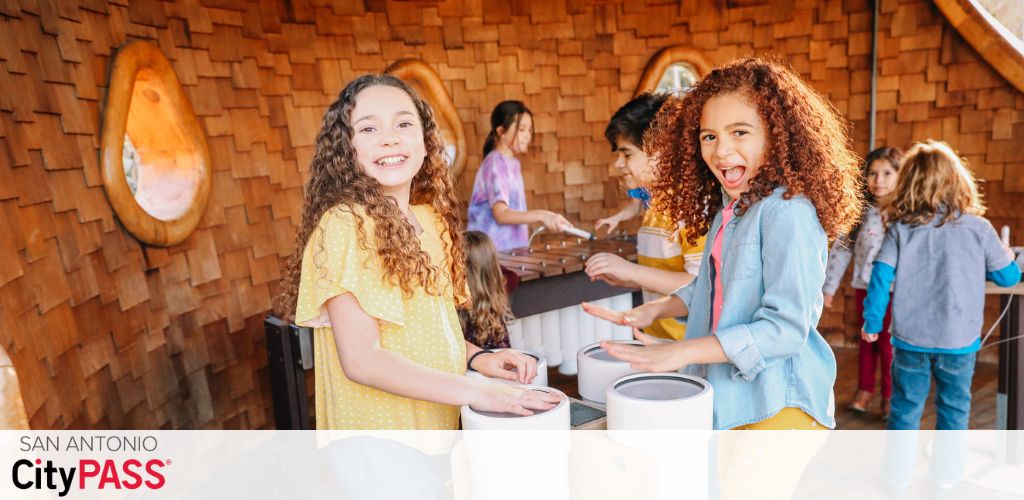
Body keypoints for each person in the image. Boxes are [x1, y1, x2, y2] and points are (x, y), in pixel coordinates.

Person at [583, 57, 863, 432]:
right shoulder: (731, 209)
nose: (720, 150)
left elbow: (784, 328)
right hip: (728, 397)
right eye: (709, 136)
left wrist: (679, 350)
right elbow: (709, 285)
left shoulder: (788, 212)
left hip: (776, 407)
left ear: (778, 135)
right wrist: (656, 311)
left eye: (740, 132)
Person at [275, 75, 559, 429]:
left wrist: (479, 358)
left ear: (426, 142)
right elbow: (362, 360)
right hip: (381, 440)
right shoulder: (344, 225)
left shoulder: (431, 220)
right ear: (345, 149)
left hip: (437, 427)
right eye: (368, 129)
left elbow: (432, 333)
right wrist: (482, 392)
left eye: (404, 123)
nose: (389, 137)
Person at [862, 140, 1021, 431]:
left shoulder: (900, 228)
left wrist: (872, 323)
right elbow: (1008, 278)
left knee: (905, 409)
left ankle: (897, 477)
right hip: (958, 342)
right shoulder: (979, 228)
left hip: (910, 340)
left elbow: (880, 278)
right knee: (954, 409)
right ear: (957, 180)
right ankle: (946, 478)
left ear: (908, 182)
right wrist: (1008, 256)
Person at [586, 92, 707, 340]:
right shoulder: (655, 204)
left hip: (688, 350)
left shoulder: (694, 208)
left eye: (627, 154)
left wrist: (633, 272)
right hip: (657, 343)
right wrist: (627, 280)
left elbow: (702, 287)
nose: (618, 164)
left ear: (662, 151)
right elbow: (664, 276)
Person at [822, 147, 903, 417]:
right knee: (867, 342)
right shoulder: (858, 213)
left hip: (896, 292)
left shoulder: (905, 214)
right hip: (864, 289)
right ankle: (864, 390)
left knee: (889, 346)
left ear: (901, 176)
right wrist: (829, 288)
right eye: (873, 173)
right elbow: (841, 252)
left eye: (887, 173)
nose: (879, 180)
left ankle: (891, 395)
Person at [467, 100, 575, 252]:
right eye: (521, 129)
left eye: (530, 130)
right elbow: (501, 214)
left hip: (513, 252)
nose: (527, 136)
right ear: (501, 131)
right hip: (494, 257)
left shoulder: (513, 163)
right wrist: (543, 215)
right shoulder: (495, 163)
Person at [460, 231, 516, 350]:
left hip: (471, 365)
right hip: (501, 361)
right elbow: (513, 276)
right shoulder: (496, 287)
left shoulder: (455, 302)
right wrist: (491, 264)